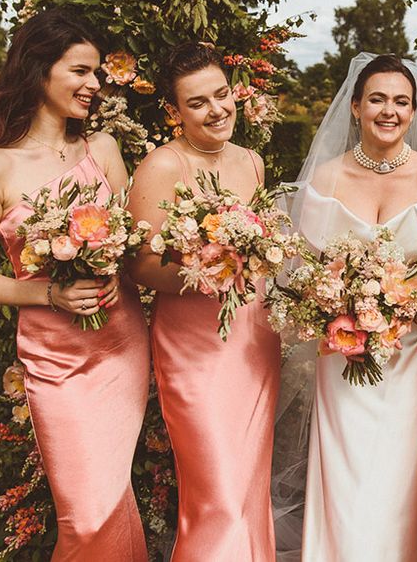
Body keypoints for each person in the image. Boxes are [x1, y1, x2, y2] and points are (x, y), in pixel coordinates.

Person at [0, 8, 149, 561]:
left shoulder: (102, 151)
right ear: (39, 70)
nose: (94, 86)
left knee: (112, 496)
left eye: (98, 76)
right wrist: (48, 293)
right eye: (81, 72)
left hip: (122, 342)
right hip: (55, 355)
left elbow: (130, 244)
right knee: (84, 512)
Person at [277, 53, 417, 561]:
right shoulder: (327, 178)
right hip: (341, 350)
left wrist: (400, 301)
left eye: (402, 102)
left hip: (409, 351)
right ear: (355, 106)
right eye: (377, 99)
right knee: (343, 466)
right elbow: (300, 269)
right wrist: (336, 306)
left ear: (413, 111)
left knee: (395, 472)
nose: (389, 111)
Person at [127, 42, 281, 561]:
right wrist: (211, 269)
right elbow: (141, 266)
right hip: (194, 348)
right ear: (173, 112)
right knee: (216, 492)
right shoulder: (163, 166)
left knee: (247, 485)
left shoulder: (252, 162)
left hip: (253, 340)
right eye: (198, 102)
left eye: (222, 95)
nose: (217, 109)